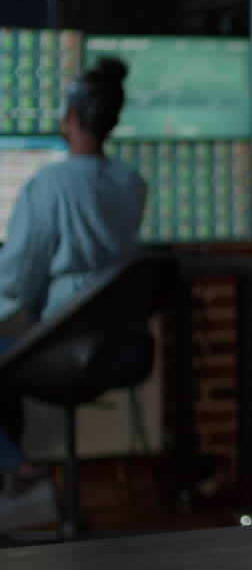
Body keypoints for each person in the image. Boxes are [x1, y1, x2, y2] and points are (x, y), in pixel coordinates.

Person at [0, 57, 148, 534]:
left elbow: (14, 282)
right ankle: (21, 477)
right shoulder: (132, 184)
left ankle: (18, 472)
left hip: (67, 346)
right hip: (121, 346)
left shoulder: (48, 186)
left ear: (70, 117)